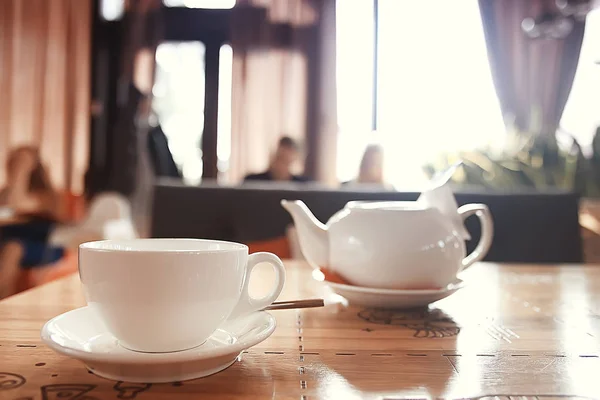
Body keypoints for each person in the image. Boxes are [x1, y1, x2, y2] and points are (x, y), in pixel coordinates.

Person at [0, 146, 67, 298]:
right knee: (11, 247)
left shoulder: (48, 196)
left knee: (13, 249)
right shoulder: (5, 192)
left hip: (44, 247)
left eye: (22, 161)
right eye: (14, 161)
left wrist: (20, 172)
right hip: (7, 242)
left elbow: (16, 203)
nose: (16, 165)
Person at [244, 136, 309, 182]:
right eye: (278, 157)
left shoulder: (304, 185)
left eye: (285, 160)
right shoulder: (252, 181)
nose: (280, 164)